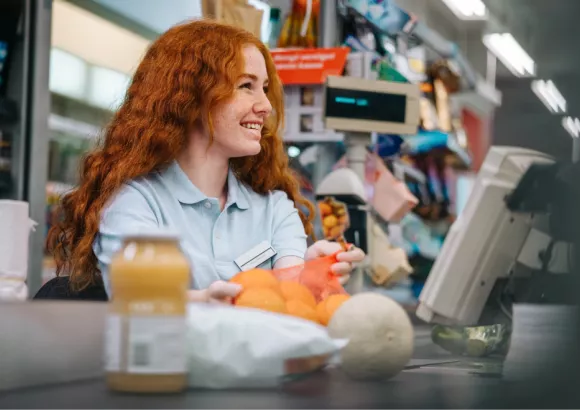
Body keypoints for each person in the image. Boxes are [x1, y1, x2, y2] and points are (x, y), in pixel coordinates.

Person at [46, 20, 365, 303]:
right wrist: (200, 303)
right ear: (191, 97)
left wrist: (313, 271)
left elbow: (289, 289)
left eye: (265, 88)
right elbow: (139, 299)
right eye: (246, 86)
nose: (266, 105)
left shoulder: (275, 209)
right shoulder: (136, 204)